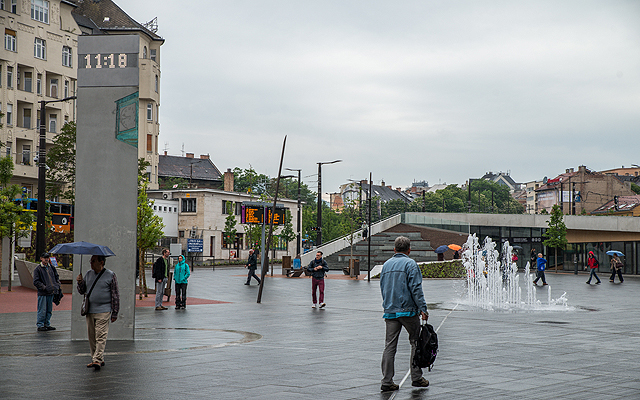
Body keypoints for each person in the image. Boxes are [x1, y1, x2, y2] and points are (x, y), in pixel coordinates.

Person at [380, 236, 430, 392]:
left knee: (389, 346)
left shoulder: (386, 265)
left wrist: (388, 305)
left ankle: (387, 381)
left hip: (390, 311)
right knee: (415, 342)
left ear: (394, 249)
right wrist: (423, 308)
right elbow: (416, 289)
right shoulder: (410, 264)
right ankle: (416, 377)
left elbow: (383, 287)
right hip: (408, 311)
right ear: (409, 250)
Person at [76, 255, 119, 370]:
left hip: (104, 310)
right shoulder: (88, 274)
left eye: (93, 261)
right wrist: (80, 282)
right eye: (90, 261)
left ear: (101, 262)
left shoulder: (110, 275)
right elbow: (82, 291)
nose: (91, 263)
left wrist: (114, 312)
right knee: (92, 337)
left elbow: (115, 295)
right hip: (90, 310)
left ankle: (97, 359)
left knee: (101, 335)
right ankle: (97, 357)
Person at [33, 252, 61, 332]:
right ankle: (40, 324)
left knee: (49, 310)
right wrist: (44, 287)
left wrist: (57, 285)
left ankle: (47, 324)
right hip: (43, 292)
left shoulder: (51, 267)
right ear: (41, 258)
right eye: (45, 257)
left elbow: (56, 277)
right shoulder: (38, 269)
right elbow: (36, 281)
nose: (46, 259)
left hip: (51, 292)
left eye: (47, 257)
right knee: (42, 309)